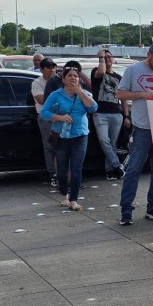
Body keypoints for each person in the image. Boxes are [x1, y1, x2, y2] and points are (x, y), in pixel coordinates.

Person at [116, 42, 153, 226]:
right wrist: (141, 94)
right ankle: (126, 209)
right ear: (148, 55)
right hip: (141, 126)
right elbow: (120, 94)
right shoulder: (133, 70)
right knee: (134, 168)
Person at [40, 65, 98, 211]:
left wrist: (80, 92)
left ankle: (74, 199)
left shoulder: (83, 93)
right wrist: (59, 117)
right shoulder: (56, 94)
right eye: (70, 75)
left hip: (80, 134)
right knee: (62, 167)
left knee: (77, 168)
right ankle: (64, 195)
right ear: (63, 79)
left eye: (76, 76)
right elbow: (44, 112)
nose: (73, 78)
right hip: (61, 135)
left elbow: (93, 108)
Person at [91, 48, 127, 181]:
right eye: (105, 57)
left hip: (116, 113)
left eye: (109, 57)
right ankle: (117, 165)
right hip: (100, 113)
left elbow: (123, 97)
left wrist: (126, 115)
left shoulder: (118, 77)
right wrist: (100, 59)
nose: (107, 59)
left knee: (112, 143)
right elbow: (101, 72)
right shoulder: (97, 72)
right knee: (104, 140)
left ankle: (110, 170)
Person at [31, 57, 59, 187]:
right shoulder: (37, 83)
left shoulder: (59, 80)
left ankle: (62, 173)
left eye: (53, 67)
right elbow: (43, 101)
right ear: (42, 69)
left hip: (60, 117)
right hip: (46, 117)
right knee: (50, 146)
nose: (52, 70)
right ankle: (52, 173)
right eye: (49, 68)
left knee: (62, 145)